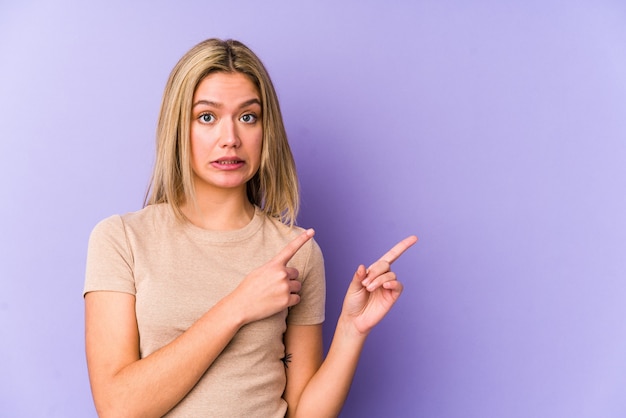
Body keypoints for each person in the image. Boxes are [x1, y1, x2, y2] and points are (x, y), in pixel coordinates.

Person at [84, 38, 417, 418]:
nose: (230, 139)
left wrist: (351, 331)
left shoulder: (297, 251)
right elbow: (117, 408)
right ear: (179, 127)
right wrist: (238, 306)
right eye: (206, 117)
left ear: (265, 129)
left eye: (248, 117)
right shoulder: (122, 239)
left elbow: (304, 413)